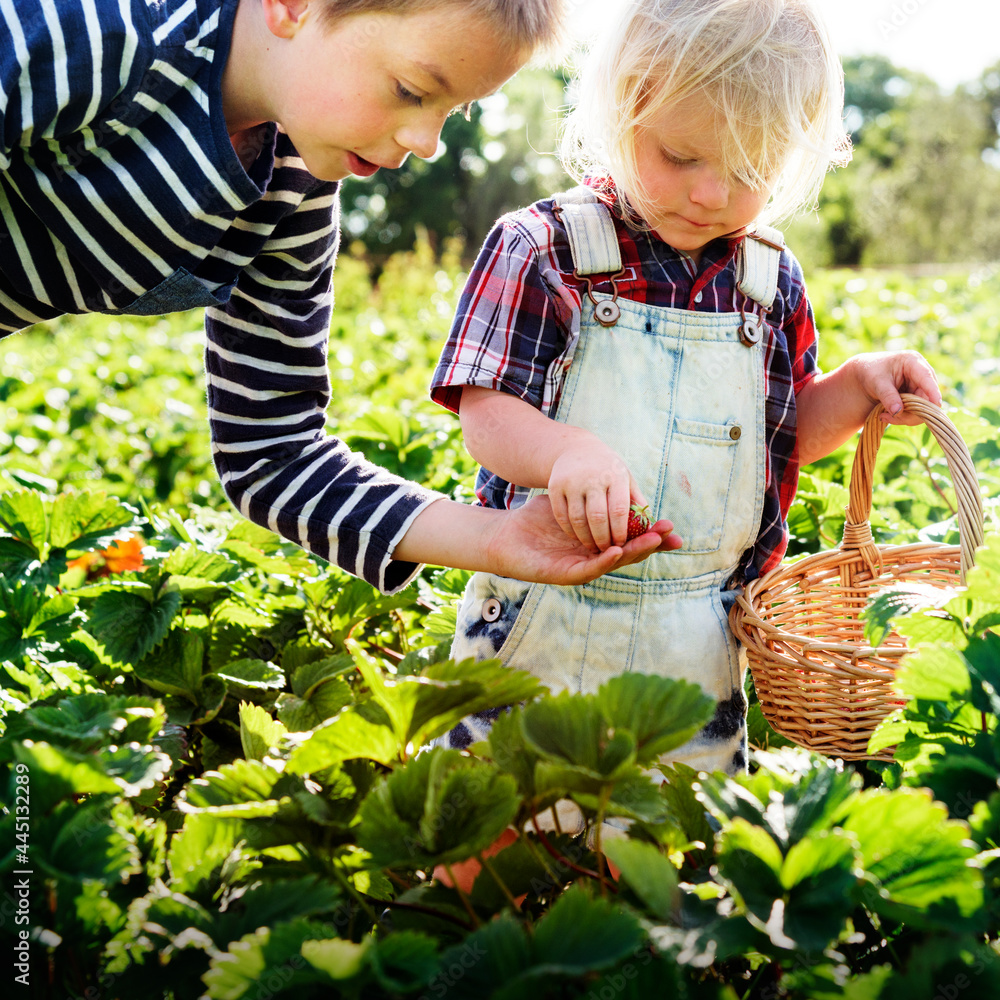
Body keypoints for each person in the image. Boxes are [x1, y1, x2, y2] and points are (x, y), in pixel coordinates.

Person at [0, 0, 671, 596]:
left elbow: (273, 453)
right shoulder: (106, 33)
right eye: (411, 89)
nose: (427, 141)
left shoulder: (292, 189)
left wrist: (496, 540)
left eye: (453, 110)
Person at [429, 0, 942, 777]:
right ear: (621, 107)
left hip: (696, 642)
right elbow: (487, 412)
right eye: (680, 154)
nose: (709, 194)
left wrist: (858, 388)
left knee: (669, 863)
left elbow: (783, 433)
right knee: (497, 833)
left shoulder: (768, 283)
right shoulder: (544, 249)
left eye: (747, 172)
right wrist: (563, 454)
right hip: (542, 619)